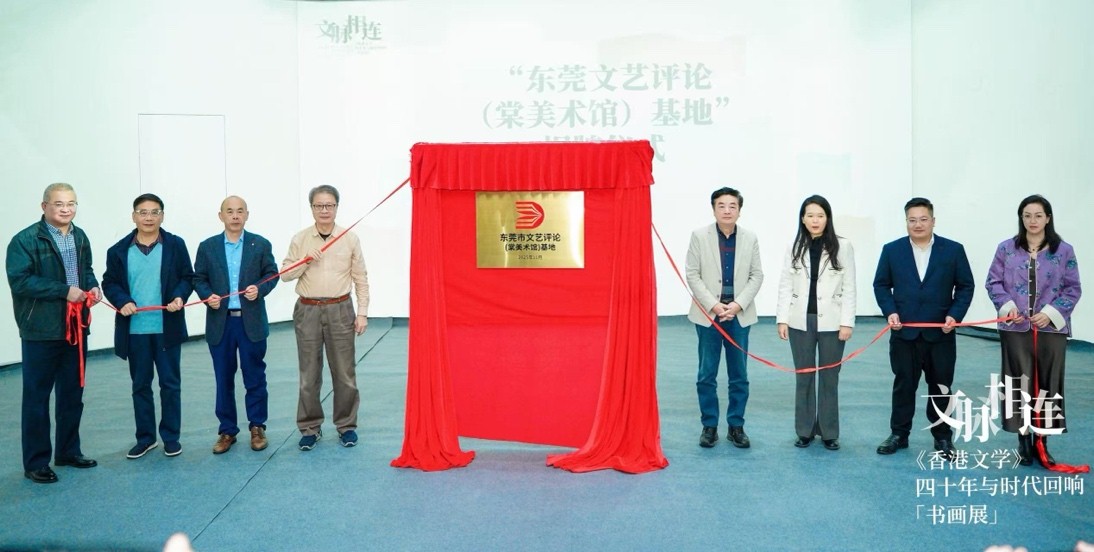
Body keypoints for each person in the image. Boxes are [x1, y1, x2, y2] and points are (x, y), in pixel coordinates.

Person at [6, 183, 101, 484]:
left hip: (76, 327)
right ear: (44, 206)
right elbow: (20, 281)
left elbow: (86, 270)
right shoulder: (24, 240)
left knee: (73, 393)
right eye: (59, 203)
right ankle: (36, 462)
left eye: (71, 203)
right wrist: (64, 291)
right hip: (40, 330)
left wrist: (92, 285)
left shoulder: (79, 236)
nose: (65, 209)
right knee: (37, 397)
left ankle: (68, 451)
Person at [873, 197, 974, 460]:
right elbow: (881, 285)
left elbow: (965, 286)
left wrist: (954, 316)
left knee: (941, 386)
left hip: (941, 333)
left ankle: (942, 437)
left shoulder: (952, 250)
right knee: (904, 384)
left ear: (933, 221)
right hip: (904, 332)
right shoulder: (892, 250)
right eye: (912, 220)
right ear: (906, 221)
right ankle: (899, 434)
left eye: (923, 219)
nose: (918, 225)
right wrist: (890, 311)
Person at [985, 194, 1081, 467]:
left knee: (1049, 383)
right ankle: (1023, 440)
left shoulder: (1064, 250)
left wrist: (1050, 313)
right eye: (1027, 215)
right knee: (1018, 381)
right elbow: (993, 282)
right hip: (1015, 328)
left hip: (1050, 330)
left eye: (1038, 215)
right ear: (1021, 218)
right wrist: (1008, 307)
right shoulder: (1006, 249)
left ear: (1048, 218)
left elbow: (1073, 288)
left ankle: (1043, 440)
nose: (1032, 221)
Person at [102, 193, 194, 459]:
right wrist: (123, 301)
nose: (149, 217)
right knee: (140, 385)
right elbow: (110, 283)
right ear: (134, 216)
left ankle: (171, 438)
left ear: (162, 216)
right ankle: (145, 438)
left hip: (167, 328)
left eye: (155, 212)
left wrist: (179, 296)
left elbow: (187, 277)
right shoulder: (118, 250)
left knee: (170, 384)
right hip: (135, 331)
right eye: (143, 212)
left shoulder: (175, 245)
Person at [281, 185, 369, 451]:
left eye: (329, 205)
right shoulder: (300, 239)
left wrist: (362, 312)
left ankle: (346, 426)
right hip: (307, 309)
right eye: (319, 205)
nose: (324, 210)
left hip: (340, 309)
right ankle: (310, 427)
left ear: (336, 207)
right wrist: (306, 260)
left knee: (344, 373)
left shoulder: (349, 238)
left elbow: (360, 278)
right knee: (309, 374)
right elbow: (285, 275)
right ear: (311, 208)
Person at [193, 196, 279, 454]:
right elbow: (198, 278)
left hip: (250, 322)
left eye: (240, 211)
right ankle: (227, 430)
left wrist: (260, 289)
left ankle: (257, 426)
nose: (235, 216)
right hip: (221, 323)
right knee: (223, 378)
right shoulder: (207, 247)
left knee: (255, 377)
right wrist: (207, 296)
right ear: (220, 215)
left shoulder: (260, 244)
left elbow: (271, 274)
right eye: (229, 211)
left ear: (247, 215)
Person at [775, 195, 856, 451]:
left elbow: (850, 287)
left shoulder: (843, 246)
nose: (815, 220)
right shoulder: (793, 246)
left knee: (830, 377)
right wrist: (782, 319)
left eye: (820, 215)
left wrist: (847, 322)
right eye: (810, 215)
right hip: (800, 320)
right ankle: (805, 431)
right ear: (802, 218)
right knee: (804, 376)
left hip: (833, 321)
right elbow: (785, 284)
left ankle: (829, 432)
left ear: (827, 218)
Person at [685, 187, 764, 448]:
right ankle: (709, 426)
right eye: (721, 205)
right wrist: (714, 305)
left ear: (740, 210)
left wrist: (738, 305)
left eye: (732, 206)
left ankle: (736, 426)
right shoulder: (699, 236)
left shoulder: (750, 238)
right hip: (709, 316)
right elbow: (692, 273)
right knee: (706, 374)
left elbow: (756, 275)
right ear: (713, 209)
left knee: (738, 375)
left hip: (739, 316)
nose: (727, 210)